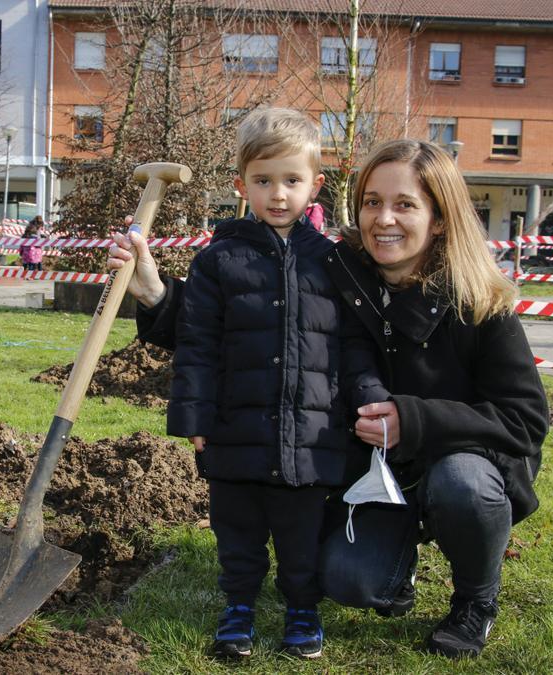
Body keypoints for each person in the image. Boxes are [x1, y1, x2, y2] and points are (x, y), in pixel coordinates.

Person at [109, 138, 549, 659]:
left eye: (405, 204)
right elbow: (254, 324)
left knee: (462, 484)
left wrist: (415, 420)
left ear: (440, 218)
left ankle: (476, 601)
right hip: (372, 472)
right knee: (346, 581)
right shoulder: (342, 271)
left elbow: (524, 419)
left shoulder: (479, 302)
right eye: (372, 202)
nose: (384, 218)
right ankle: (393, 567)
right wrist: (158, 294)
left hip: (459, 463)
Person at [167, 108, 390, 661]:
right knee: (237, 533)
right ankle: (238, 607)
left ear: (315, 183)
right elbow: (197, 344)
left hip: (314, 433)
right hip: (235, 429)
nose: (278, 194)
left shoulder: (336, 263)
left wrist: (368, 401)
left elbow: (354, 345)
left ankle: (301, 609)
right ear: (242, 186)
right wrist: (194, 418)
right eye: (263, 181)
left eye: (291, 180)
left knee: (302, 537)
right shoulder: (217, 261)